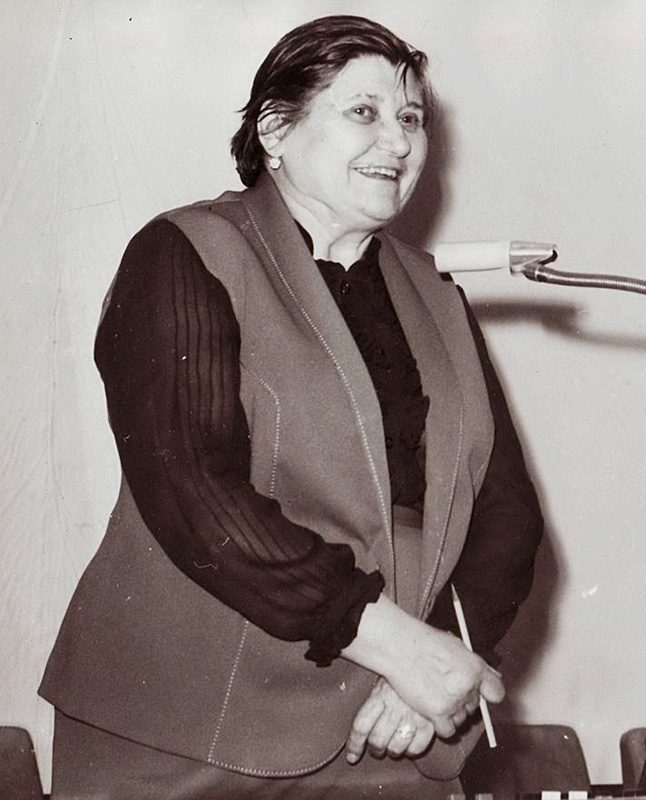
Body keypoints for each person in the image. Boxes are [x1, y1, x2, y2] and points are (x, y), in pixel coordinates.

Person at [39, 14, 543, 800]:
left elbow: (508, 512)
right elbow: (195, 494)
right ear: (275, 129)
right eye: (364, 112)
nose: (398, 141)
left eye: (412, 118)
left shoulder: (438, 292)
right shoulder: (186, 251)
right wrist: (403, 649)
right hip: (189, 738)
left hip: (390, 730)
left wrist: (433, 666)